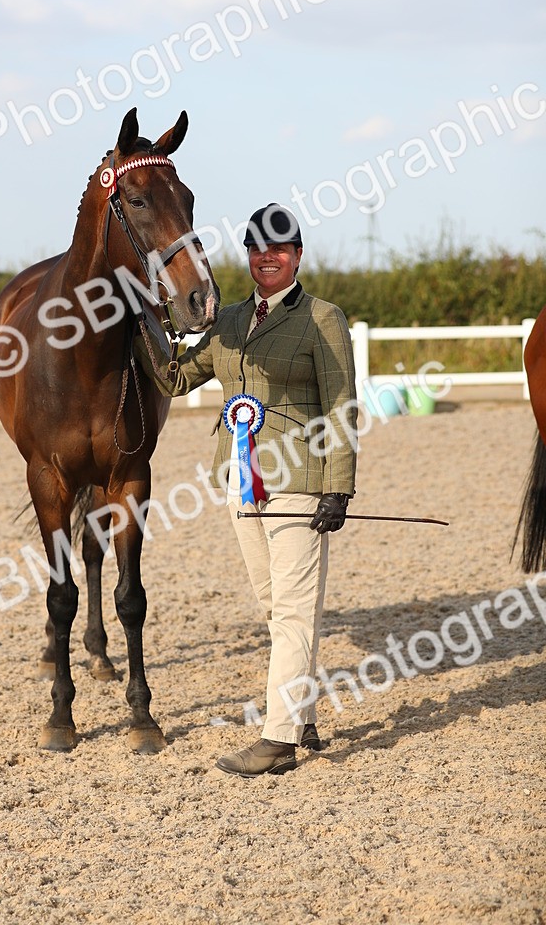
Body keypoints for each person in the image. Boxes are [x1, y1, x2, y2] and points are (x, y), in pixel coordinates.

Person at [134, 203, 357, 778]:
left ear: (298, 256)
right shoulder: (229, 321)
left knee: (293, 611)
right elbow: (178, 377)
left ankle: (278, 739)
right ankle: (303, 713)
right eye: (259, 247)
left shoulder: (322, 319)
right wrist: (143, 326)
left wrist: (339, 488)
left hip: (300, 482)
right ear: (249, 255)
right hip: (241, 483)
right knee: (275, 606)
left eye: (280, 248)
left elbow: (340, 407)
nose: (269, 256)